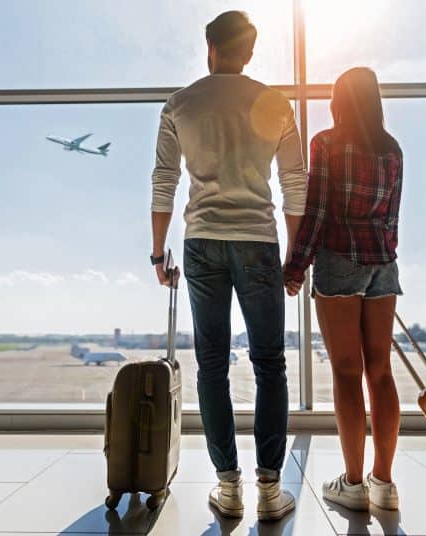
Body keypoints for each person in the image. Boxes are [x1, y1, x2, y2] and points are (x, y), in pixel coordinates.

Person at [150, 10, 307, 521]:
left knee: (212, 366)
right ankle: (268, 488)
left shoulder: (180, 104)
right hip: (258, 241)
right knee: (270, 365)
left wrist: (158, 252)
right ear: (251, 52)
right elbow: (295, 184)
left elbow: (164, 182)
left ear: (210, 48)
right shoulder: (277, 104)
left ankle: (228, 487)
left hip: (202, 243)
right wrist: (294, 256)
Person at [284, 67, 404, 511]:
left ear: (339, 100)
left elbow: (315, 211)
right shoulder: (393, 150)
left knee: (346, 373)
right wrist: (381, 259)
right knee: (381, 372)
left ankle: (352, 485)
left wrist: (296, 266)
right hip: (383, 265)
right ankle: (384, 484)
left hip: (338, 261)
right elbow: (392, 218)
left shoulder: (327, 143)